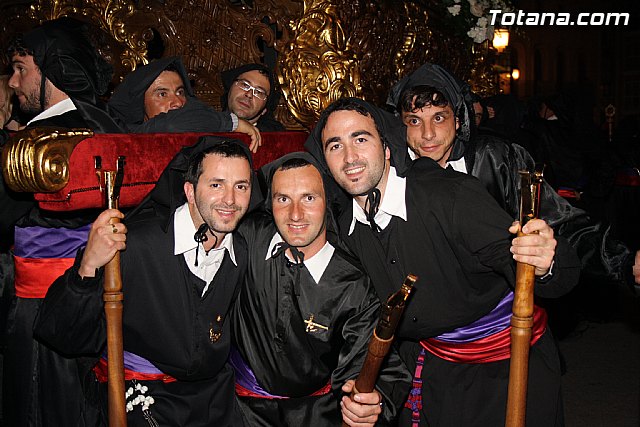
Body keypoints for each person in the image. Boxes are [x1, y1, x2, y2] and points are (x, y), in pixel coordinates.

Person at [305, 97, 582, 426]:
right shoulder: (343, 232)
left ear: (388, 147)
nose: (350, 157)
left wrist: (543, 262)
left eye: (361, 139)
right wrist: (371, 391)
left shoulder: (450, 195)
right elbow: (361, 324)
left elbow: (526, 267)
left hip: (504, 368)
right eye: (335, 146)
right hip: (429, 372)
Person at [34, 136, 261, 425]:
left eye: (241, 186)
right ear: (190, 191)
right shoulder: (132, 244)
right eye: (216, 185)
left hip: (213, 397)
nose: (230, 199)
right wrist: (88, 265)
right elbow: (62, 335)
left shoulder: (241, 250)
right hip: (145, 394)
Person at [386, 62, 640, 292]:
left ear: (458, 120)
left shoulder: (496, 160)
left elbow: (562, 223)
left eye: (439, 118)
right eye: (414, 121)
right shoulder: (392, 171)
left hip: (500, 313)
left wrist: (623, 262)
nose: (428, 134)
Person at [0, 17, 125, 426]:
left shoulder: (35, 143)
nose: (13, 82)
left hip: (42, 311)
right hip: (102, 300)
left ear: (52, 69)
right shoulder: (107, 126)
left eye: (21, 69)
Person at [230, 152, 411, 426]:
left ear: (328, 202)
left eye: (309, 198)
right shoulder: (249, 239)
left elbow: (375, 365)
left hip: (314, 415)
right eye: (283, 199)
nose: (295, 214)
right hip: (241, 411)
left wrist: (373, 400)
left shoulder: (354, 286)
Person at [108, 56, 262, 152]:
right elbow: (170, 125)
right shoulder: (130, 134)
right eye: (162, 94)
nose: (177, 102)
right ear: (140, 104)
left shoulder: (195, 124)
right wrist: (232, 122)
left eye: (180, 92)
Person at [221, 63, 286, 132]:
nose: (249, 94)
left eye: (259, 92)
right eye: (245, 85)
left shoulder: (275, 136)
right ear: (230, 88)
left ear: (264, 110)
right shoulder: (212, 124)